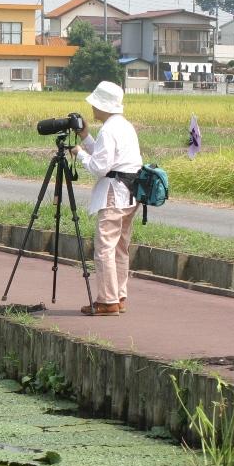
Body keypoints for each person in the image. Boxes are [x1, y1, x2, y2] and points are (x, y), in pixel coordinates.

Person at [70, 81, 142, 316]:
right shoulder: (124, 126)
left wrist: (80, 154)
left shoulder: (109, 130)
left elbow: (99, 167)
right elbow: (107, 156)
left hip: (113, 194)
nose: (92, 109)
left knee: (104, 248)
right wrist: (86, 137)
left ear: (104, 106)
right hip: (130, 194)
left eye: (95, 104)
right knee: (121, 247)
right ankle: (119, 296)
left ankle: (107, 301)